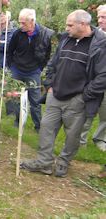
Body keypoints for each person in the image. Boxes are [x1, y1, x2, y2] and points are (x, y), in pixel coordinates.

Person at [20, 10, 106, 177]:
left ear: (83, 24)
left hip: (77, 98)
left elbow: (103, 75)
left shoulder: (100, 44)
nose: (66, 28)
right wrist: (49, 84)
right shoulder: (66, 39)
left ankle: (63, 162)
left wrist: (85, 95)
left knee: (73, 134)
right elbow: (53, 63)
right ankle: (44, 162)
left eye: (70, 25)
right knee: (46, 128)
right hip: (55, 94)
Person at [7, 8, 54, 132]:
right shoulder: (18, 33)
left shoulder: (44, 34)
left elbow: (47, 54)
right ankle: (18, 120)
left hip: (33, 72)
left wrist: (39, 69)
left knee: (35, 101)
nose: (21, 25)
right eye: (20, 22)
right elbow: (10, 51)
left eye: (23, 23)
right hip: (17, 70)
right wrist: (11, 67)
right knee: (16, 97)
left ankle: (38, 126)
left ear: (32, 21)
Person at [80, 4, 106, 151]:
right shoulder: (94, 36)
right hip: (94, 80)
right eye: (99, 17)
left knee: (105, 114)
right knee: (88, 112)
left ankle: (100, 138)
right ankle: (80, 141)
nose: (100, 20)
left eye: (104, 17)